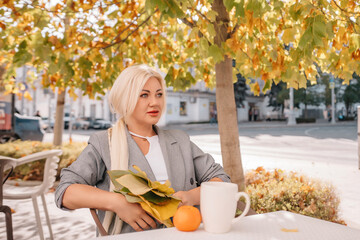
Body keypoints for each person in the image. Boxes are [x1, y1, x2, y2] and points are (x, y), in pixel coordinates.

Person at [55, 64, 230, 235]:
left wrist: (190, 197)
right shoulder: (104, 144)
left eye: (159, 94)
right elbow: (65, 192)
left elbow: (222, 180)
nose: (155, 102)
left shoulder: (180, 140)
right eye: (144, 95)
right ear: (125, 98)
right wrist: (117, 202)